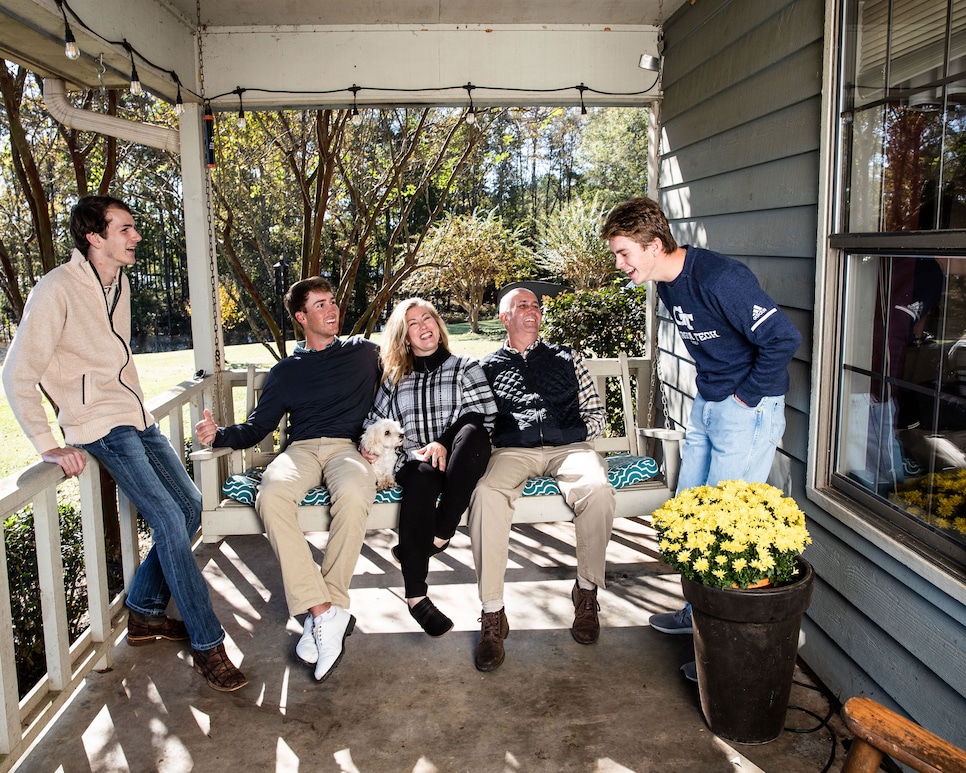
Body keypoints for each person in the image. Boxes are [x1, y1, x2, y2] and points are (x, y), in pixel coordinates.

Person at [1, 195, 247, 692]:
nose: (136, 236)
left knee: (192, 507)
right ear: (94, 237)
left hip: (136, 416)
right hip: (97, 425)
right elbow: (16, 372)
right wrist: (50, 443)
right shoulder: (55, 290)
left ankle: (143, 613)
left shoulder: (122, 282)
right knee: (168, 517)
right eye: (126, 229)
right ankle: (208, 645)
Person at [601, 196, 802, 681]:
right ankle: (696, 616)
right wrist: (713, 401)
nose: (619, 264)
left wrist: (744, 399)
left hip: (745, 409)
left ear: (655, 244)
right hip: (709, 406)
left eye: (625, 253)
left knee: (724, 527)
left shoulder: (719, 278)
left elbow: (784, 338)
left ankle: (724, 652)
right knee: (689, 511)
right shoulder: (668, 284)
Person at [194, 277, 380, 682]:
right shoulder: (286, 371)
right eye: (319, 305)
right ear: (301, 317)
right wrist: (218, 435)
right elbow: (257, 428)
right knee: (272, 494)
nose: (331, 311)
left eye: (332, 302)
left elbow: (405, 379)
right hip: (300, 450)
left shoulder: (364, 354)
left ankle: (325, 612)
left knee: (354, 491)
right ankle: (324, 611)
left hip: (347, 449)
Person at [468, 287, 615, 672]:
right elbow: (480, 423)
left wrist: (573, 432)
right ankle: (492, 612)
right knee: (486, 494)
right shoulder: (486, 367)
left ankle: (586, 593)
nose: (531, 311)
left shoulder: (567, 358)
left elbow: (595, 412)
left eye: (535, 305)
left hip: (568, 447)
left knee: (597, 490)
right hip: (513, 451)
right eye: (521, 306)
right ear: (504, 318)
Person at [362, 298, 497, 636]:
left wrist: (443, 442)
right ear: (404, 337)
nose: (424, 326)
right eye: (413, 323)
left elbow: (484, 414)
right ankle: (415, 597)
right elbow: (372, 421)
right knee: (421, 479)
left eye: (428, 319)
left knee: (474, 433)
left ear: (438, 325)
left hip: (459, 459)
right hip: (415, 461)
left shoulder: (465, 366)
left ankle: (438, 535)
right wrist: (369, 448)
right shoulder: (396, 378)